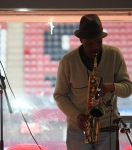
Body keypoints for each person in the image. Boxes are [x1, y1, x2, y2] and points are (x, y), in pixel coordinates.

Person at [53, 14, 132, 150]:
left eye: (98, 42)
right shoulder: (67, 62)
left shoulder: (114, 54)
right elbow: (59, 95)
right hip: (78, 129)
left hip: (108, 127)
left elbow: (128, 88)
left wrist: (112, 87)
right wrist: (76, 115)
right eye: (89, 43)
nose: (95, 47)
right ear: (81, 40)